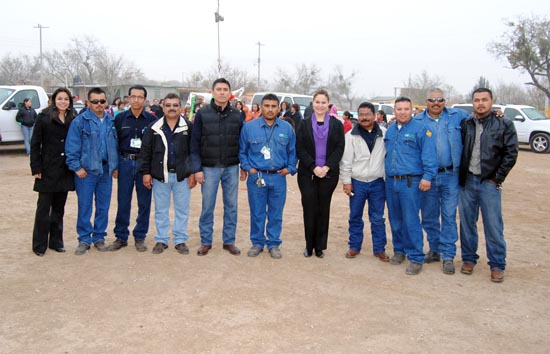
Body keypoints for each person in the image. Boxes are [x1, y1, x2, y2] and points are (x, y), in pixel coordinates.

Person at [458, 88, 518, 283]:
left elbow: (511, 153)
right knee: (467, 223)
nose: (480, 103)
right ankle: (468, 259)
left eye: (484, 100)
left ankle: (497, 264)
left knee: (493, 225)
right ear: (472, 102)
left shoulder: (503, 124)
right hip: (467, 181)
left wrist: (496, 178)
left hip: (489, 182)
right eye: (477, 100)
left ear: (492, 102)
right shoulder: (465, 123)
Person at [414, 88, 470, 274]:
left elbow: (479, 118)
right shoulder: (418, 121)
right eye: (432, 100)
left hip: (450, 175)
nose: (436, 103)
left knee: (448, 215)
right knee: (429, 215)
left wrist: (497, 114)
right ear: (426, 102)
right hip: (427, 177)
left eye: (440, 100)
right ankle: (435, 249)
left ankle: (448, 255)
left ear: (445, 101)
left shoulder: (458, 117)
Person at [239, 93, 297, 259]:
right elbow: (242, 152)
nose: (270, 110)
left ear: (279, 108)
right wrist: (249, 168)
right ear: (261, 107)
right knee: (257, 212)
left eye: (273, 106)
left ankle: (273, 243)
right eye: (267, 106)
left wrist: (290, 168)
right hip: (257, 176)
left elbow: (292, 151)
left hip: (278, 177)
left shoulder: (287, 128)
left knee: (275, 212)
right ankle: (257, 242)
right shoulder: (249, 127)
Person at [190, 78, 243, 256]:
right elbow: (194, 143)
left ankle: (229, 241)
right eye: (218, 89)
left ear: (230, 93)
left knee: (231, 206)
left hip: (231, 167)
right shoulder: (202, 114)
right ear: (213, 92)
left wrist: (243, 165)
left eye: (225, 89)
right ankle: (206, 241)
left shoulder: (237, 115)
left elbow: (242, 142)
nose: (222, 92)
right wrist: (197, 169)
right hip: (209, 167)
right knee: (207, 206)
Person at [384, 96, 436, 275]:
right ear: (394, 111)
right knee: (395, 219)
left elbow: (429, 155)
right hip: (391, 181)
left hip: (410, 182)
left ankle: (415, 257)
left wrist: (428, 177)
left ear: (412, 110)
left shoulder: (421, 129)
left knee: (411, 220)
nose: (403, 112)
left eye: (406, 109)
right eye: (399, 109)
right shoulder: (390, 131)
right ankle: (399, 251)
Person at [140, 93, 197, 254]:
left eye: (175, 105)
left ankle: (180, 240)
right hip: (160, 176)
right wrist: (146, 172)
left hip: (182, 176)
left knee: (182, 209)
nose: (172, 108)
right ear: (163, 107)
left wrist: (192, 172)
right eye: (168, 105)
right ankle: (161, 239)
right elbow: (146, 152)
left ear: (180, 108)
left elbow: (194, 152)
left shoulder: (188, 127)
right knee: (161, 209)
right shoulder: (154, 128)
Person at [65, 87, 119, 255]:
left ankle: (99, 238)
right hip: (86, 172)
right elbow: (71, 147)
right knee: (85, 206)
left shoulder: (111, 121)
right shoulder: (80, 122)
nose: (99, 104)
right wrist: (76, 167)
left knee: (103, 207)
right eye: (95, 101)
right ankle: (84, 239)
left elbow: (115, 146)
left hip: (105, 172)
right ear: (88, 103)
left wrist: (114, 166)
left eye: (102, 101)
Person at [296, 89, 345, 258]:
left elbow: (339, 148)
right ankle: (309, 245)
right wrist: (313, 166)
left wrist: (327, 167)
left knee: (323, 209)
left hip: (329, 174)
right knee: (309, 209)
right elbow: (300, 148)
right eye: (317, 102)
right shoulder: (304, 124)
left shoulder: (337, 125)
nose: (320, 105)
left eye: (323, 102)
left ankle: (319, 247)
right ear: (313, 103)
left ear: (328, 104)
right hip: (308, 173)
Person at [108, 85, 157, 252]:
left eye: (140, 97)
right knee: (123, 201)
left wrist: (150, 169)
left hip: (144, 165)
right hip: (125, 163)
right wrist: (115, 166)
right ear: (128, 98)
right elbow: (114, 143)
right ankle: (121, 236)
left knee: (144, 202)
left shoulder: (152, 119)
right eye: (133, 96)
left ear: (145, 99)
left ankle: (140, 236)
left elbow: (154, 147)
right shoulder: (120, 118)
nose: (136, 100)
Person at [29, 88, 76, 256]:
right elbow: (35, 143)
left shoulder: (73, 118)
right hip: (47, 168)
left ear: (70, 101)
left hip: (65, 169)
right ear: (54, 100)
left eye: (66, 99)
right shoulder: (43, 117)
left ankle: (56, 242)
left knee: (59, 208)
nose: (63, 101)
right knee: (43, 208)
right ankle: (39, 245)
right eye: (59, 98)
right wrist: (36, 168)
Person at [340, 102, 388, 261]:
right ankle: (354, 246)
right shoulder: (350, 136)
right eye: (361, 114)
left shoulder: (384, 134)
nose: (364, 117)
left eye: (368, 114)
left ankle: (379, 249)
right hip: (357, 182)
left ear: (375, 115)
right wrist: (346, 182)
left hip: (377, 182)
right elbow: (346, 161)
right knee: (355, 215)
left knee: (377, 218)